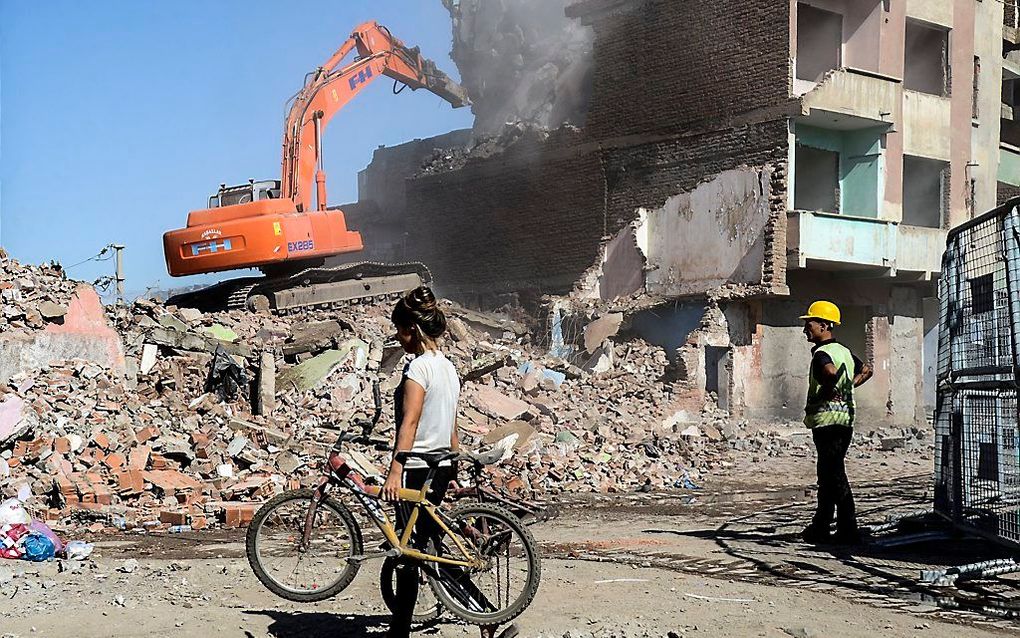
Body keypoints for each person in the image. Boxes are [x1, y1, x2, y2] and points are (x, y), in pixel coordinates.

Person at [382, 286, 516, 638]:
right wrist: (453, 463)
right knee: (428, 546)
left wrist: (395, 470)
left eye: (400, 330)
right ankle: (487, 619)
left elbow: (409, 423)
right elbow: (451, 422)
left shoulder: (418, 370)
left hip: (416, 467)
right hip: (440, 466)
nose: (398, 338)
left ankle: (401, 632)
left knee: (411, 554)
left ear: (412, 329)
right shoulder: (448, 368)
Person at [799, 300, 872, 545]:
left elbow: (829, 372)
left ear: (823, 325)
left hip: (828, 422)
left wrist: (830, 386)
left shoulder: (822, 354)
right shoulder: (844, 351)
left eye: (809, 324)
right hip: (845, 420)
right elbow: (867, 370)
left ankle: (848, 528)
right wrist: (847, 385)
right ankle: (821, 525)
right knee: (828, 474)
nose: (805, 330)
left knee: (834, 475)